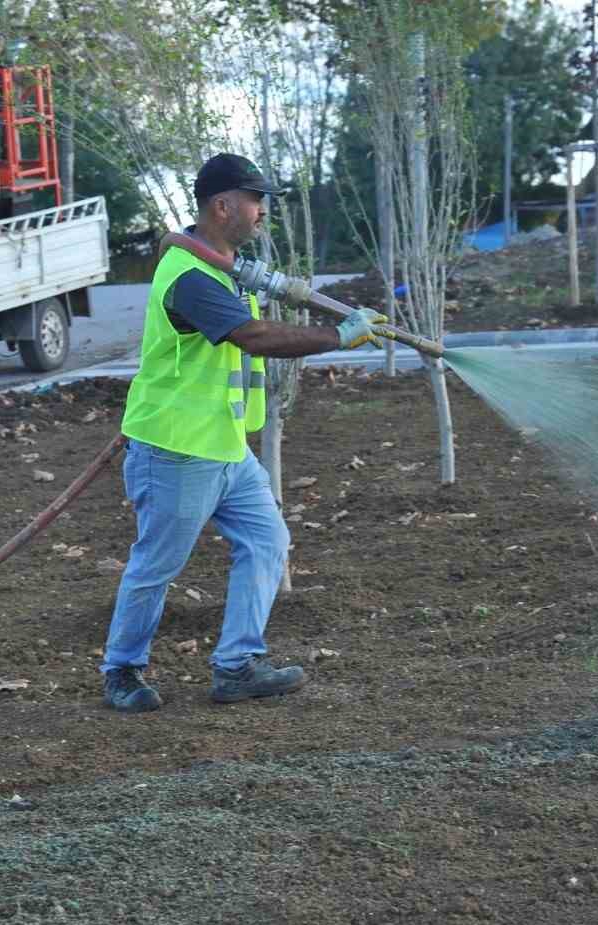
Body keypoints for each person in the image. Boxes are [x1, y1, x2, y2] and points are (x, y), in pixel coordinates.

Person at [101, 153, 387, 713]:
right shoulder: (188, 276)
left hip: (225, 447)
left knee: (267, 542)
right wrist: (337, 336)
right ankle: (122, 670)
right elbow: (251, 337)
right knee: (157, 565)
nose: (262, 212)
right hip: (178, 448)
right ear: (222, 205)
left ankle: (236, 666)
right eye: (256, 201)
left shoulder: (221, 267)